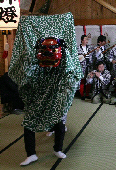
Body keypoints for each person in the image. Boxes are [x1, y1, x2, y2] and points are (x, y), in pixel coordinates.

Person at [8, 13, 83, 166]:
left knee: (59, 121)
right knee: (29, 124)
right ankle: (31, 154)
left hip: (55, 94)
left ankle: (57, 148)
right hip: (36, 95)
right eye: (45, 49)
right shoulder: (34, 62)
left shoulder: (63, 64)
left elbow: (71, 72)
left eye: (52, 49)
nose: (49, 52)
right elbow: (25, 74)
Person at [77, 35, 93, 100]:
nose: (87, 41)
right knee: (82, 80)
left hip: (89, 66)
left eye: (87, 40)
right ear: (82, 40)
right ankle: (81, 94)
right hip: (81, 66)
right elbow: (76, 57)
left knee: (89, 79)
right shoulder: (77, 48)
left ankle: (87, 94)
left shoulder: (90, 48)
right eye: (85, 39)